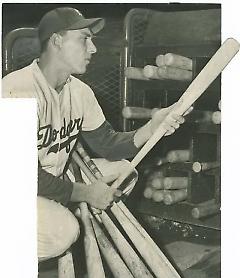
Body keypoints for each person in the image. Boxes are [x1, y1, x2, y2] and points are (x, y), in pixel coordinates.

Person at [2, 7, 191, 262]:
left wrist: (152, 127)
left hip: (47, 180)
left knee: (124, 173)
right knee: (64, 232)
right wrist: (85, 193)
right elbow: (23, 177)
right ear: (57, 41)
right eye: (84, 39)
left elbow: (109, 145)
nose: (93, 49)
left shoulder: (79, 92)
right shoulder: (16, 90)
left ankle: (57, 212)